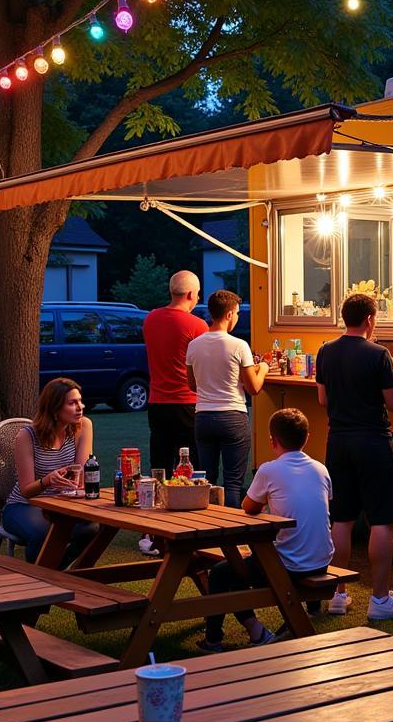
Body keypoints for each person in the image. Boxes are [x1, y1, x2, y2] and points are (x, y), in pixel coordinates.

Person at [315, 292, 393, 620]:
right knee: (382, 519)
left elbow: (323, 400)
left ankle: (338, 593)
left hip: (339, 440)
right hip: (373, 440)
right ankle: (379, 598)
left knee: (342, 518)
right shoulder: (379, 354)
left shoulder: (325, 352)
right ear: (370, 319)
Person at [197, 408, 334, 652]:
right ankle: (305, 610)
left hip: (288, 566)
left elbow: (248, 507)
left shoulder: (270, 470)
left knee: (222, 573)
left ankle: (218, 638)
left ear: (273, 440)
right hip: (321, 560)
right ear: (307, 438)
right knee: (242, 565)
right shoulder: (321, 469)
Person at [142, 269, 207, 555]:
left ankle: (152, 531)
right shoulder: (197, 325)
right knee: (191, 465)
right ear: (192, 294)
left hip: (157, 402)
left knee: (160, 464)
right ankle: (188, 526)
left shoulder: (150, 319)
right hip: (186, 401)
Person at [3, 377, 99, 565]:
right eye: (72, 403)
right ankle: (38, 581)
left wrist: (77, 483)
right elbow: (26, 491)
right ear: (54, 409)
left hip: (63, 504)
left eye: (80, 401)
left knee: (93, 528)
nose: (81, 407)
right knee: (43, 532)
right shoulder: (27, 436)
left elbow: (81, 479)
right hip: (25, 505)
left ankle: (58, 573)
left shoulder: (83, 426)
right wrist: (47, 480)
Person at [186, 289, 267, 507]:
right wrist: (265, 368)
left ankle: (207, 531)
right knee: (232, 482)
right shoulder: (239, 345)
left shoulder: (194, 345)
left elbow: (192, 384)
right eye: (238, 313)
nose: (238, 317)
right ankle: (231, 534)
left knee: (207, 480)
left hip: (203, 416)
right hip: (232, 416)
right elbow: (253, 388)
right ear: (230, 314)